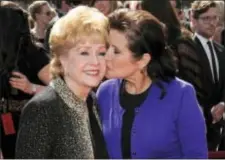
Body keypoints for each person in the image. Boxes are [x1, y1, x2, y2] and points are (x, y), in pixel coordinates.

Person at [96, 9, 207, 159]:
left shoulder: (181, 95)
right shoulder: (104, 93)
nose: (106, 57)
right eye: (106, 47)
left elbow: (196, 155)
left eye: (115, 51)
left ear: (143, 60)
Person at [15, 5, 109, 159]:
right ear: (62, 58)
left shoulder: (91, 100)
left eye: (101, 53)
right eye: (84, 52)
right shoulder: (43, 108)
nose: (95, 62)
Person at [0, 6, 50, 158]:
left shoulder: (34, 54)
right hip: (4, 127)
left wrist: (32, 87)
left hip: (33, 126)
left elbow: (65, 91)